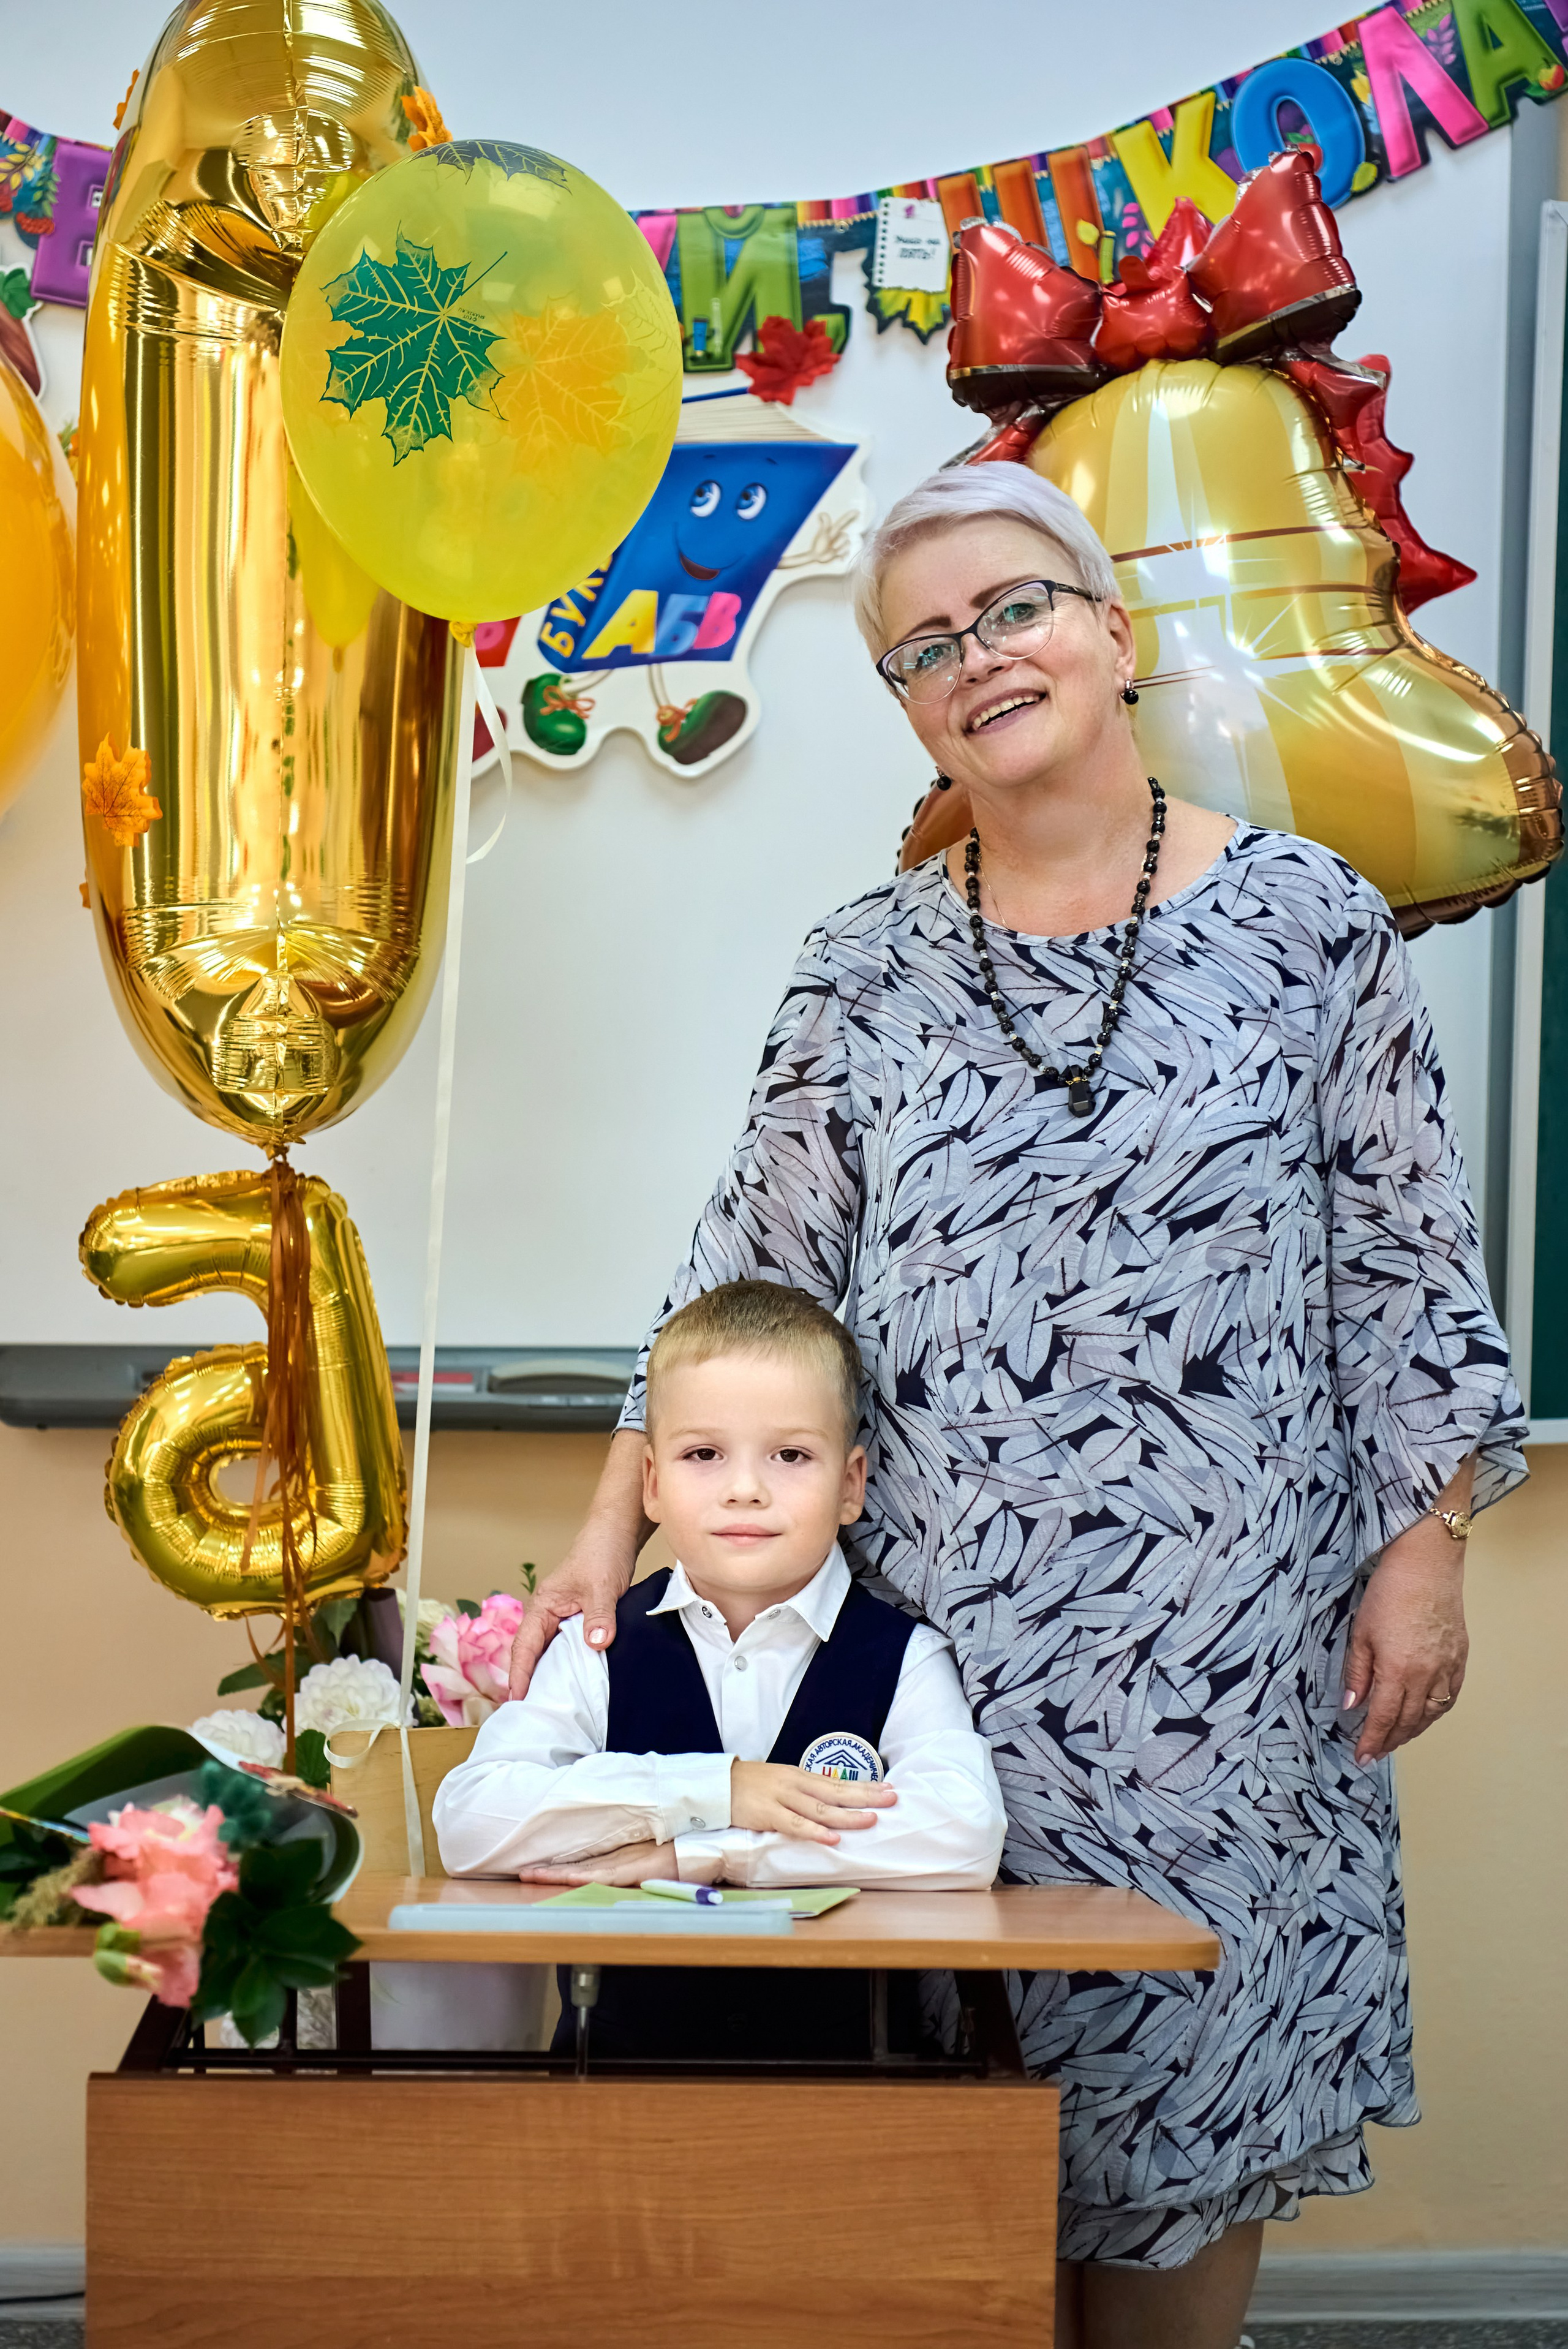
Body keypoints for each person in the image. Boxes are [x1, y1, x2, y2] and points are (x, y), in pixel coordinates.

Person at [505, 464, 1527, 2349]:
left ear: (1112, 632)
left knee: (1186, 2135)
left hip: (1235, 1677)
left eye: (1014, 610)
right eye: (924, 646)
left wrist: (1425, 1558)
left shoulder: (1315, 925)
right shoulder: (862, 967)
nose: (978, 659)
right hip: (919, 1688)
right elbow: (743, 1281)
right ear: (903, 706)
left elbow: (1408, 1277)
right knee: (939, 2165)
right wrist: (598, 1537)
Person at [435, 1278, 1006, 2059]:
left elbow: (963, 1836)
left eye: (791, 1454)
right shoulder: (598, 1647)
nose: (745, 1487)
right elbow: (472, 1823)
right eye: (704, 1453)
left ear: (850, 1486)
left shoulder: (905, 1657)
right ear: (652, 1484)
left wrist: (704, 1855)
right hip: (612, 2102)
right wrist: (721, 1788)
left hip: (853, 2112)